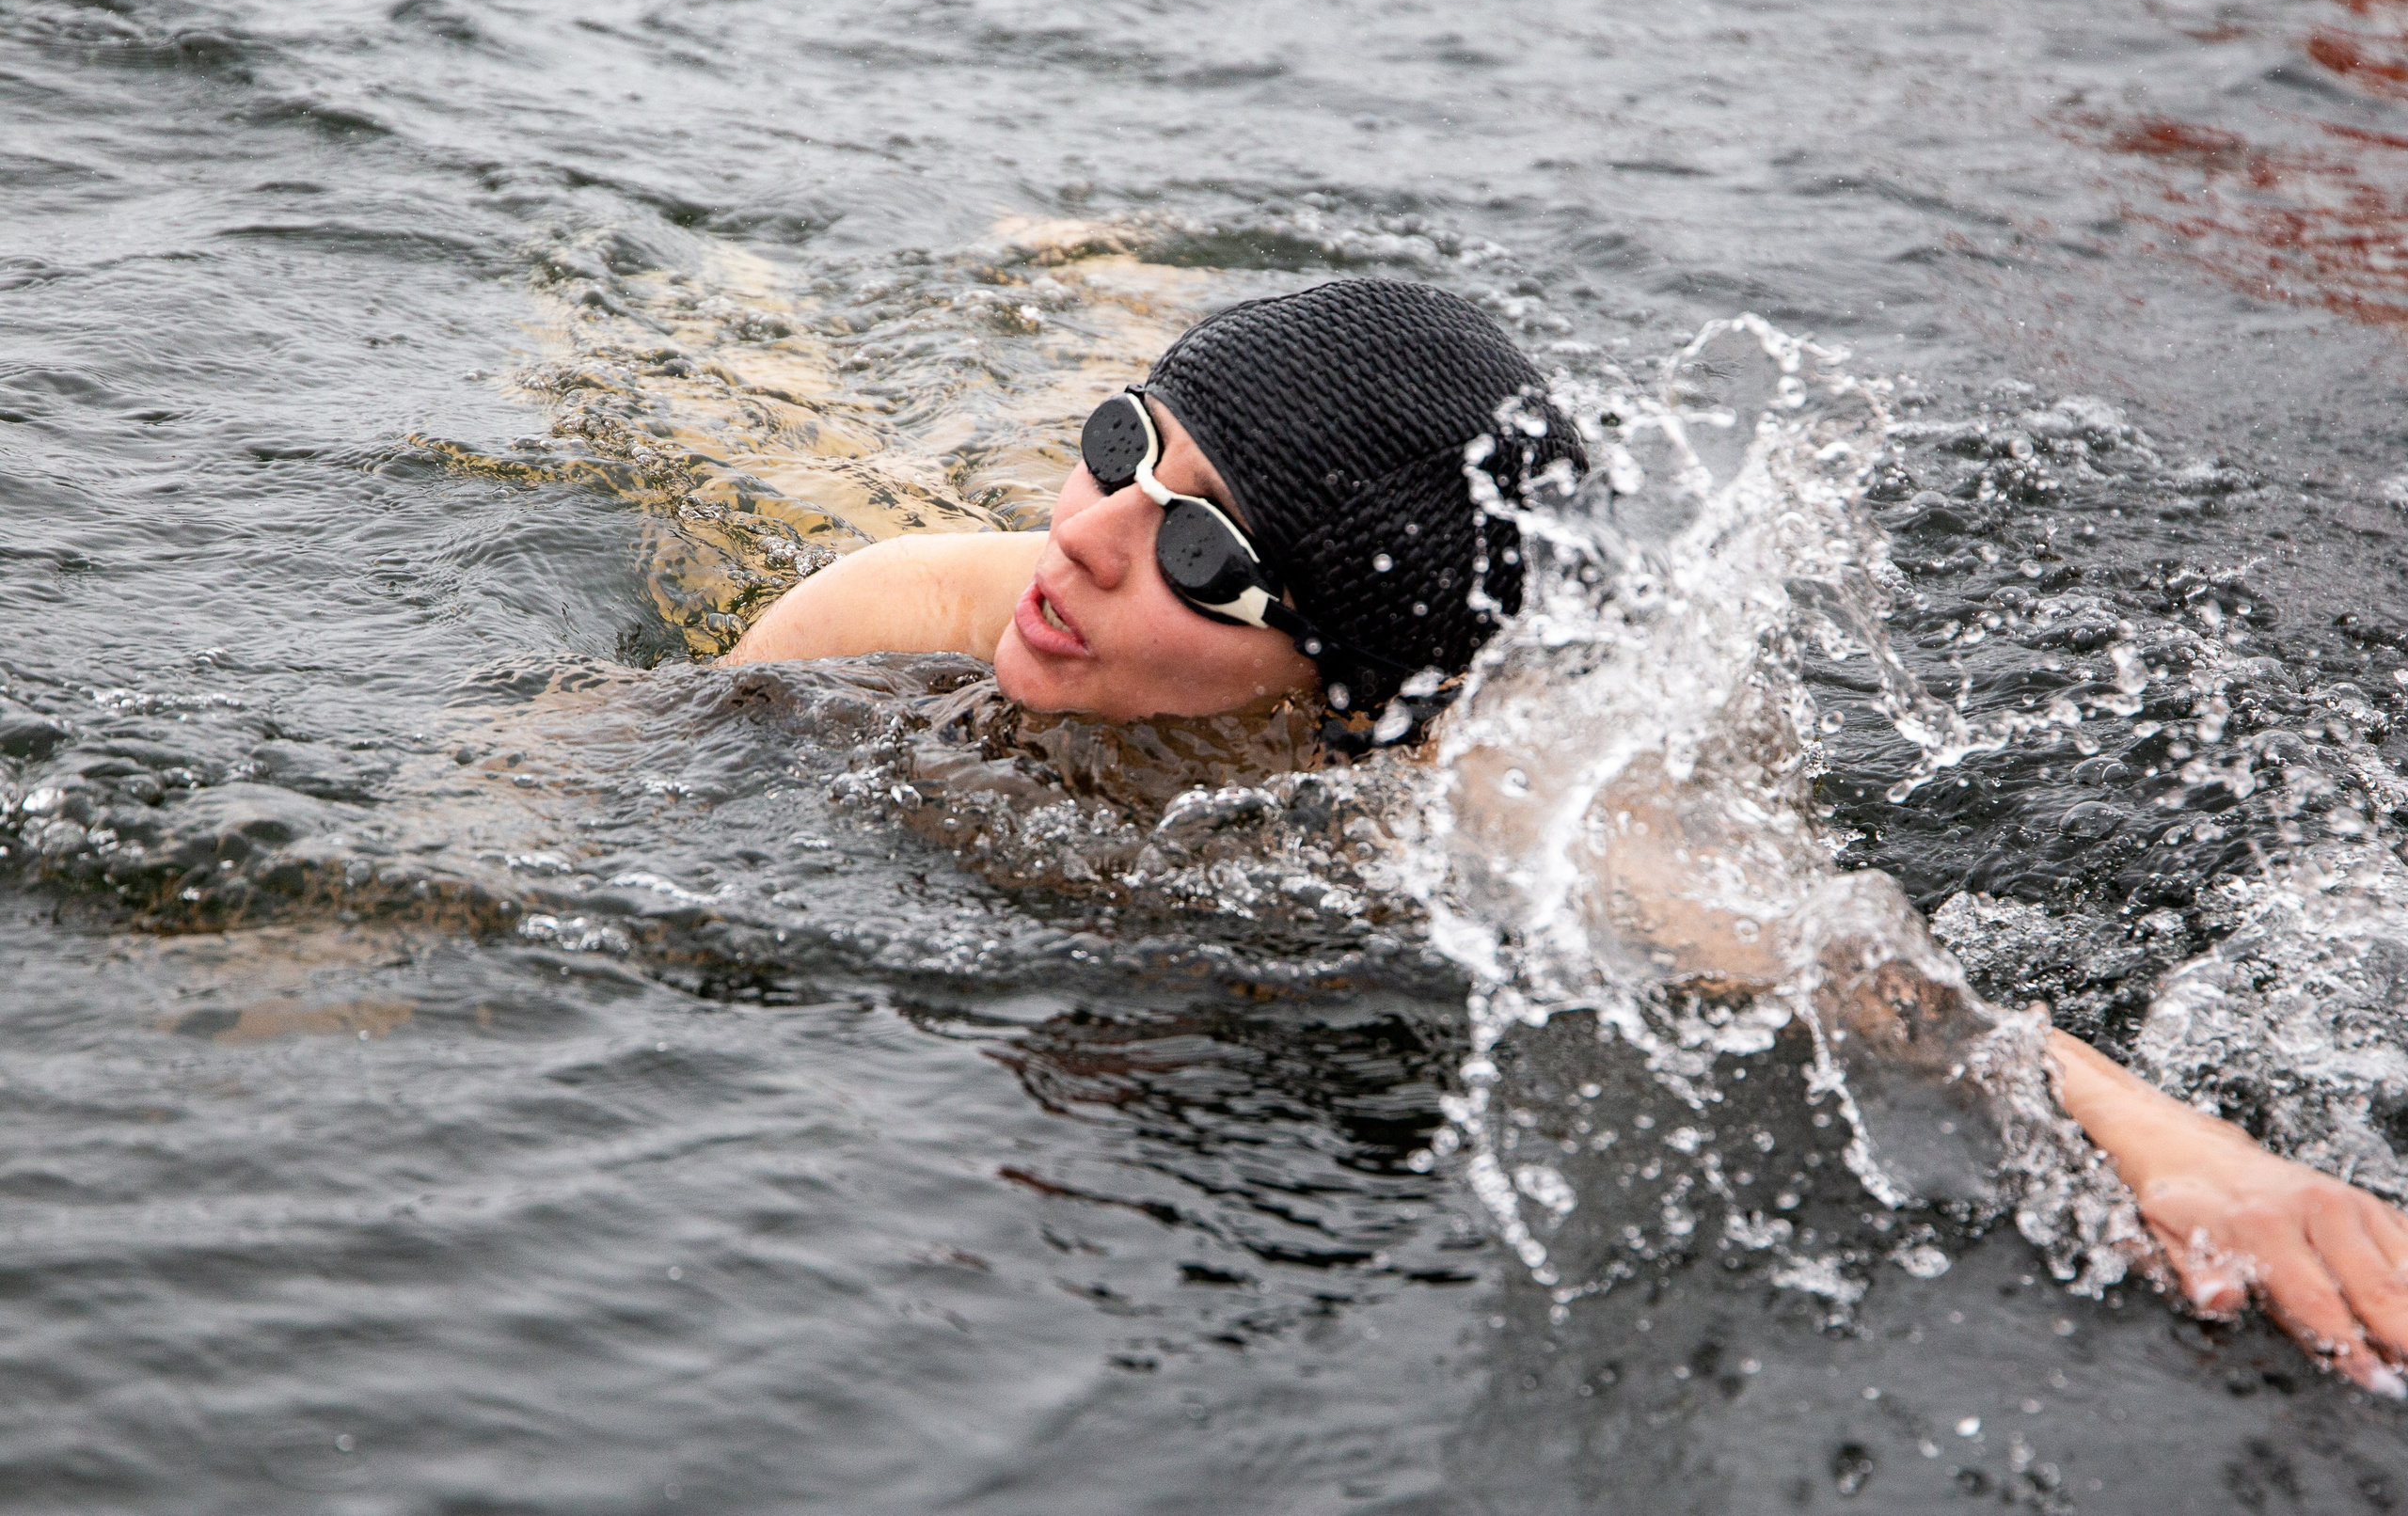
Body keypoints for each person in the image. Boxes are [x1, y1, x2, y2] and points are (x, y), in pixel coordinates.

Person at [727, 277, 2408, 1394]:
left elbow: (1836, 966)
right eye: (1116, 448)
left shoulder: (1482, 789)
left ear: (1340, 676)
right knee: (758, 380)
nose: (1083, 541)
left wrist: (2190, 1146)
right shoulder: (918, 599)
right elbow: (566, 767)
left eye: (1201, 556)